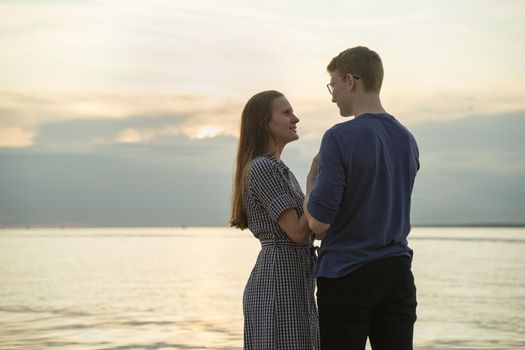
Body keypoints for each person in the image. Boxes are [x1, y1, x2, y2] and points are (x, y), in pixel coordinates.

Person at [303, 46, 420, 350]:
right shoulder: (407, 139)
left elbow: (318, 223)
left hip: (346, 275)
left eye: (334, 85)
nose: (332, 96)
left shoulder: (339, 137)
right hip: (397, 272)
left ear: (351, 81)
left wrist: (310, 184)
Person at [230, 90, 320, 349]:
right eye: (286, 112)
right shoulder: (263, 168)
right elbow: (299, 232)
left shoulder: (280, 169)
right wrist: (313, 182)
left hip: (292, 279)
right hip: (278, 284)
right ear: (265, 122)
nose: (296, 118)